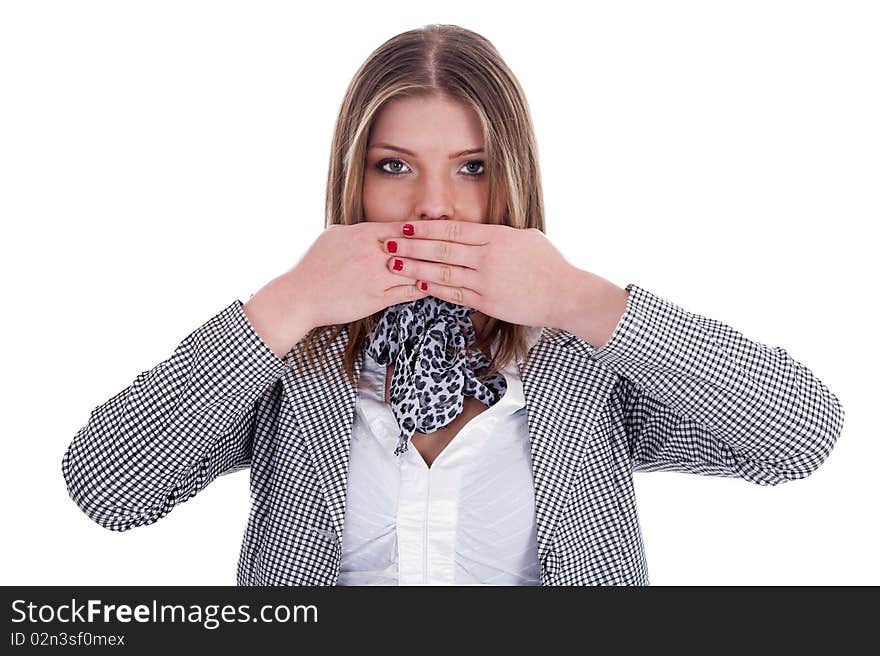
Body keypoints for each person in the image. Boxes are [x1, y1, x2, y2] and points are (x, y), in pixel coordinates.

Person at [61, 24, 845, 586]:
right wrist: (291, 300)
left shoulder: (578, 356)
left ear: (514, 177)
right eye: (395, 165)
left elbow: (799, 437)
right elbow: (106, 488)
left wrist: (578, 297)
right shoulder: (292, 356)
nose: (434, 207)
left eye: (472, 167)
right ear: (352, 181)